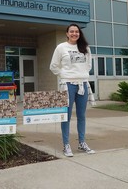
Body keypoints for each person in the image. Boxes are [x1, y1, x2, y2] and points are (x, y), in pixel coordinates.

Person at [49, 23, 95, 157]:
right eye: (72, 31)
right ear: (67, 33)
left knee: (82, 116)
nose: (74, 34)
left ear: (79, 33)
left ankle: (82, 143)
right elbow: (53, 66)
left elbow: (89, 65)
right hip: (68, 84)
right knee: (66, 116)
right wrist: (64, 75)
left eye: (77, 31)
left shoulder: (85, 48)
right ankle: (66, 145)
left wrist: (81, 75)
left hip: (83, 84)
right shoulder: (61, 47)